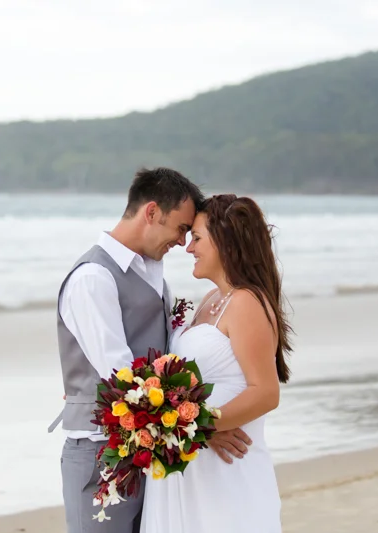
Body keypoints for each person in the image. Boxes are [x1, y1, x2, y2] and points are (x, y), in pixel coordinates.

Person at [48, 168, 248, 533]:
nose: (183, 241)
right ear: (152, 212)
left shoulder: (153, 275)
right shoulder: (93, 278)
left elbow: (164, 362)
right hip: (100, 455)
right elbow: (123, 378)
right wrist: (203, 427)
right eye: (181, 228)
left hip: (149, 451)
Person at [140, 193, 293, 533]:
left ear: (225, 241)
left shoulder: (245, 303)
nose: (188, 247)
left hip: (225, 471)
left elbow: (266, 393)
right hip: (194, 466)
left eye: (196, 238)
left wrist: (196, 428)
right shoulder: (212, 300)